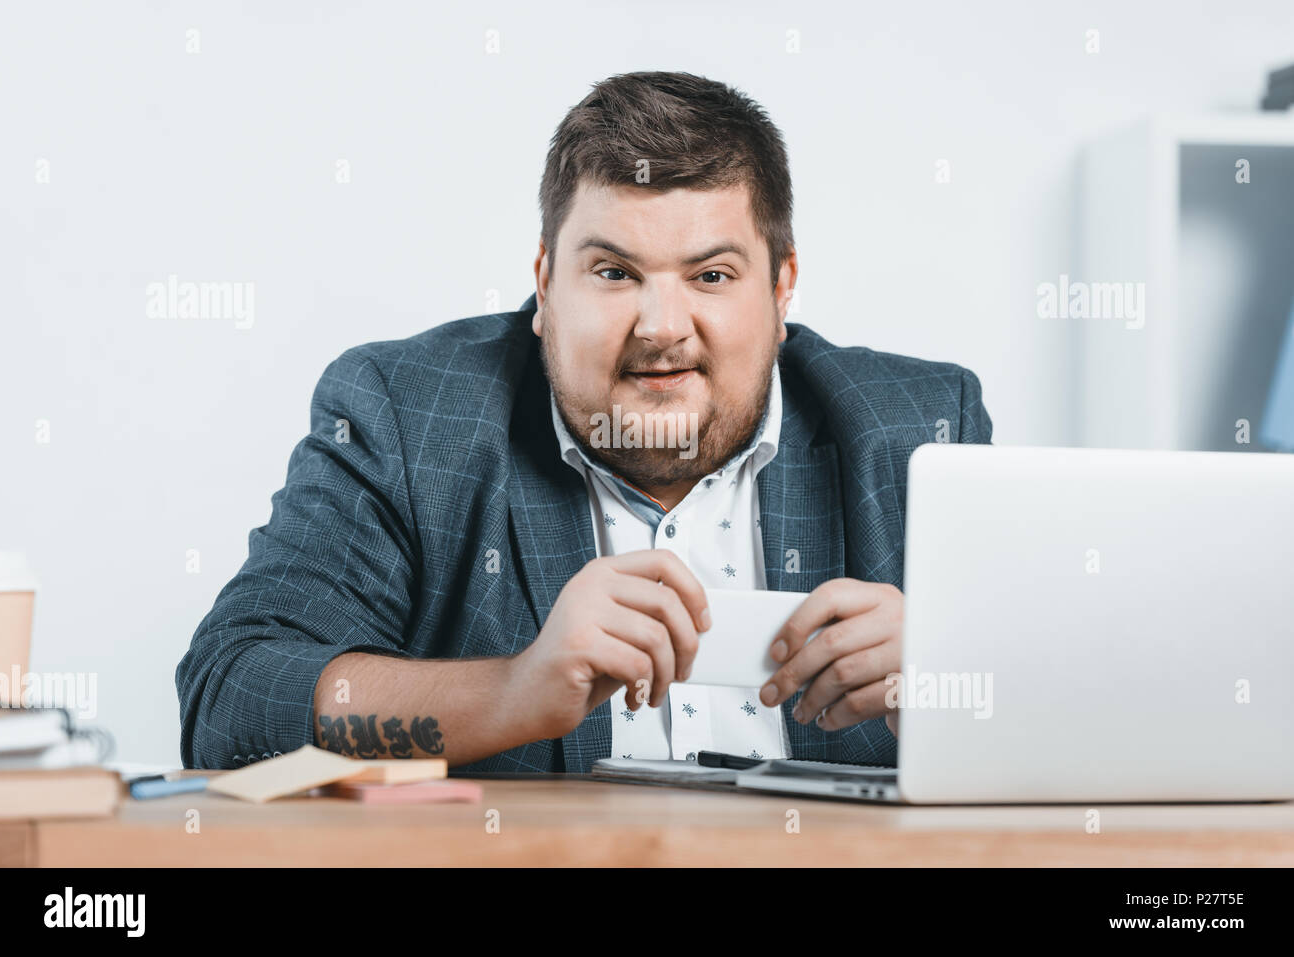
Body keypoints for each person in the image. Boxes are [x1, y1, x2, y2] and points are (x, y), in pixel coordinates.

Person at [175, 70, 991, 772]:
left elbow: (1095, 706)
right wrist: (514, 690)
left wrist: (954, 682)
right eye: (613, 271)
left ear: (782, 291)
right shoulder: (406, 414)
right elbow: (230, 701)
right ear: (544, 282)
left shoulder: (919, 431)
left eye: (710, 274)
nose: (661, 325)